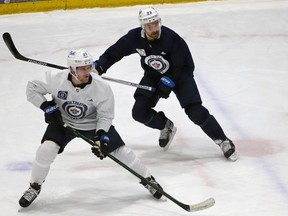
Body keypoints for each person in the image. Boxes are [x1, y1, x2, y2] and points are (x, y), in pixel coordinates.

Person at [19, 49, 163, 208]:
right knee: (46, 149)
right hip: (63, 122)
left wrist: (102, 135)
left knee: (121, 151)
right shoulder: (55, 79)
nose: (87, 71)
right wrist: (45, 105)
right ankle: (34, 186)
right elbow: (31, 88)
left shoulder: (101, 86)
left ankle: (148, 180)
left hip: (92, 123)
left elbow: (105, 115)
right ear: (72, 69)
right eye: (82, 68)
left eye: (89, 66)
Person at [93, 7, 239, 161]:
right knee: (139, 112)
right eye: (150, 26)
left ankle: (222, 140)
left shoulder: (172, 39)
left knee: (195, 111)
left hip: (181, 77)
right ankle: (165, 126)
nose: (154, 29)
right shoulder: (134, 38)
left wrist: (168, 82)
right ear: (143, 26)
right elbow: (116, 51)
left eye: (156, 24)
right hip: (154, 75)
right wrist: (99, 66)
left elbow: (186, 66)